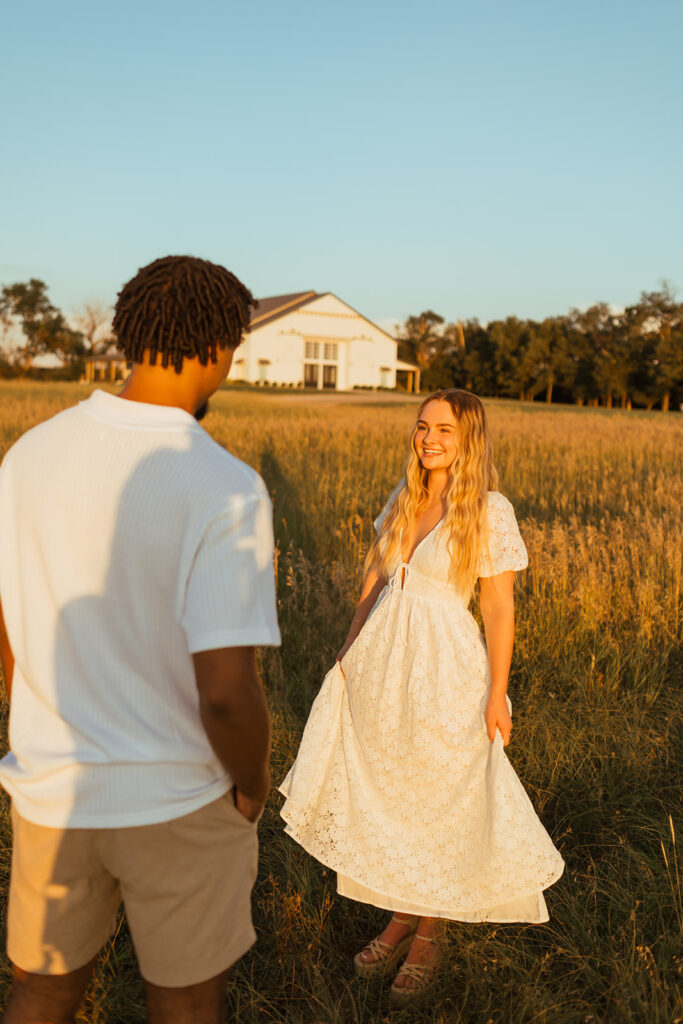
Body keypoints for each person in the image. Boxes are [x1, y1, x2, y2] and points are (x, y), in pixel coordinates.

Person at [0, 255, 281, 1024]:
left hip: (52, 791)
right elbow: (225, 691)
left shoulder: (28, 456)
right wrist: (251, 782)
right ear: (220, 345)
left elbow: (10, 628)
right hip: (180, 797)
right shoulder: (223, 485)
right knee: (185, 1003)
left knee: (42, 990)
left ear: (127, 334)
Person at [279, 388, 564, 1004]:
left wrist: (497, 692)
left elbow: (498, 605)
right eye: (422, 426)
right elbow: (374, 579)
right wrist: (348, 650)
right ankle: (401, 915)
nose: (429, 438)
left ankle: (432, 929)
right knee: (396, 785)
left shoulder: (488, 510)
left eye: (444, 430)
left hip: (445, 667)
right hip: (384, 661)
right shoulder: (404, 497)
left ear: (469, 439)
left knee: (442, 792)